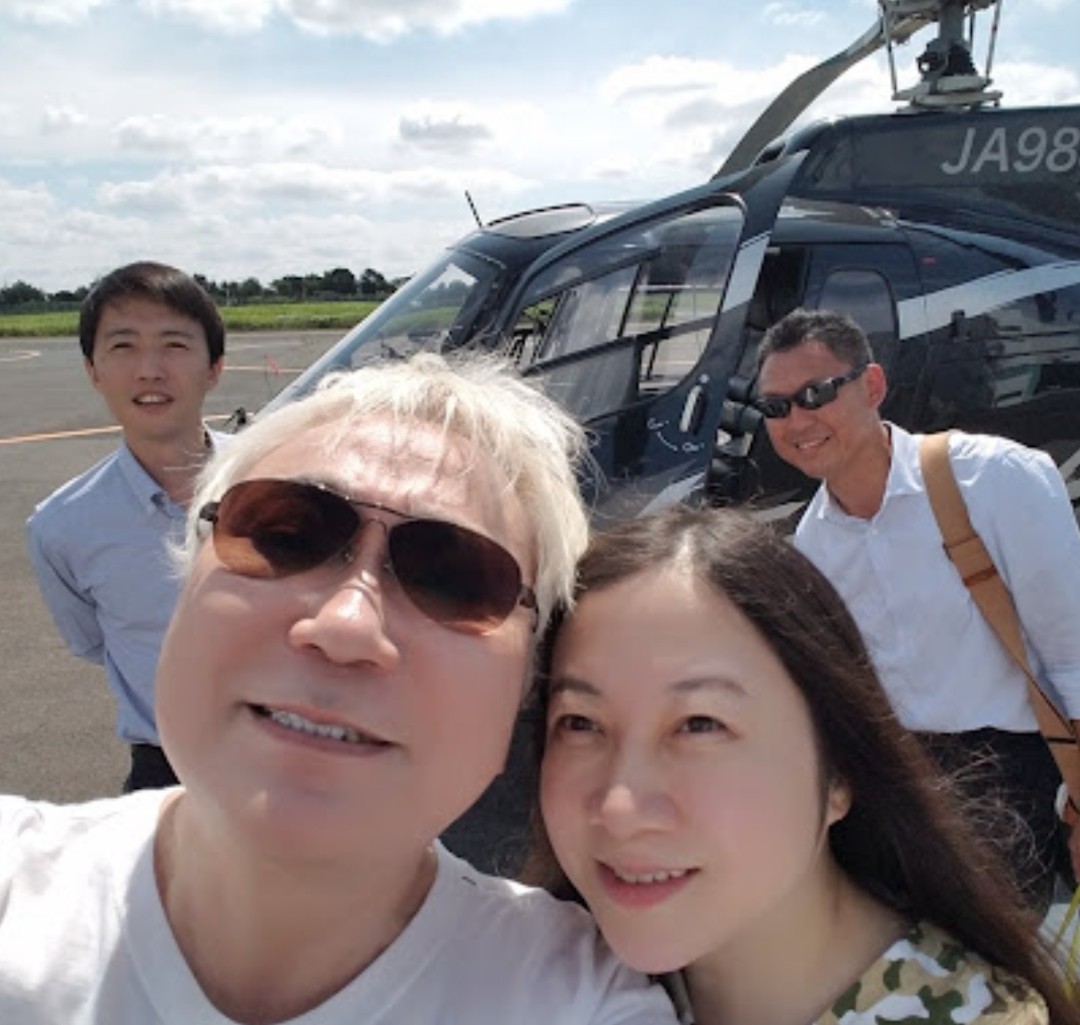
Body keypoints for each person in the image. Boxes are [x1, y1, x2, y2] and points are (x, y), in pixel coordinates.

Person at [0, 353, 677, 1025]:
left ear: (526, 686)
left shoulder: (582, 1002)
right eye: (284, 535)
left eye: (454, 580)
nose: (346, 625)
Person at [534, 506, 1080, 1025]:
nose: (620, 808)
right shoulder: (538, 975)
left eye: (700, 724)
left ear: (838, 769)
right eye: (580, 723)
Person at [752, 307, 1080, 912]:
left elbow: (1072, 651)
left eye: (816, 394)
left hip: (1013, 775)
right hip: (900, 788)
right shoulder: (811, 548)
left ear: (872, 385)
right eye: (776, 407)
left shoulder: (994, 479)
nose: (797, 420)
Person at [26, 261, 228, 791]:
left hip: (302, 756)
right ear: (93, 370)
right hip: (165, 773)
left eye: (174, 345)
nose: (149, 370)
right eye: (123, 346)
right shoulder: (62, 526)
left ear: (214, 367)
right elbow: (95, 643)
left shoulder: (282, 480)